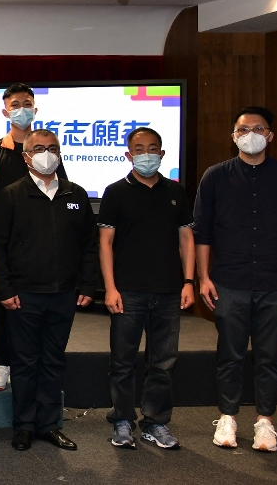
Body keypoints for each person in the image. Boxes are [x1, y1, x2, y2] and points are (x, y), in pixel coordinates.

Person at [198, 106, 277, 453]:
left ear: (270, 135)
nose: (250, 135)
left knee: (269, 356)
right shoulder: (215, 176)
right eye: (243, 129)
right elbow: (202, 233)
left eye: (258, 129)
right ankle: (227, 417)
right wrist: (203, 277)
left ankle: (265, 421)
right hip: (228, 280)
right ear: (233, 136)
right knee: (229, 355)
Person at [0, 129, 95, 452]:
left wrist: (88, 285)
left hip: (64, 295)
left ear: (60, 154)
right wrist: (4, 289)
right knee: (24, 362)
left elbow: (89, 245)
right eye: (38, 149)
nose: (46, 154)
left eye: (52, 148)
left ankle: (49, 425)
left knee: (53, 361)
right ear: (26, 156)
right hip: (23, 296)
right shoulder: (11, 195)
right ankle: (23, 425)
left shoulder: (76, 194)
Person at [98, 127, 195, 450]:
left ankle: (156, 421)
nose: (146, 155)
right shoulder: (115, 192)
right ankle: (122, 419)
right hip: (127, 292)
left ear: (162, 154)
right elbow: (105, 243)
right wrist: (110, 288)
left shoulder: (176, 192)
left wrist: (189, 281)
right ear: (129, 155)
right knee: (122, 362)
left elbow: (186, 238)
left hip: (168, 290)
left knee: (163, 363)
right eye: (139, 149)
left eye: (153, 149)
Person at [0, 83, 68, 393]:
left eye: (27, 103)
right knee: (5, 306)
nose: (22, 109)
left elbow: (60, 189)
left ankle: (34, 367)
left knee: (38, 315)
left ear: (35, 108)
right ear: (5, 112)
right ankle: (1, 365)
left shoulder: (48, 148)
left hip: (41, 241)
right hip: (8, 240)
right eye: (15, 104)